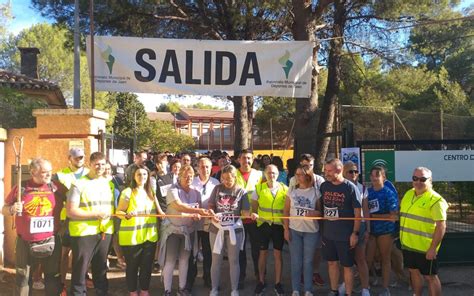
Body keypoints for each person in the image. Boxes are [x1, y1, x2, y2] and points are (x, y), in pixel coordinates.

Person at [3, 158, 64, 295]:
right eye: (44, 172)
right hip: (25, 242)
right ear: (33, 172)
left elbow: (74, 200)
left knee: (52, 277)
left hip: (51, 240)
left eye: (50, 171)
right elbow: (3, 209)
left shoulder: (57, 187)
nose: (49, 175)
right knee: (22, 277)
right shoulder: (21, 188)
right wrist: (12, 209)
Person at [66, 152, 115, 296]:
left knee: (101, 268)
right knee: (80, 270)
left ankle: (102, 292)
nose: (100, 167)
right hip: (83, 233)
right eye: (97, 164)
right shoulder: (78, 184)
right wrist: (95, 214)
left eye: (103, 164)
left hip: (104, 232)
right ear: (90, 165)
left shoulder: (107, 183)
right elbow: (71, 211)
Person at [208, 165, 258, 296]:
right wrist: (212, 214)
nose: (226, 181)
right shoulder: (217, 188)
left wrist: (252, 215)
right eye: (223, 178)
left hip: (234, 230)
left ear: (235, 177)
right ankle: (214, 288)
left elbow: (246, 212)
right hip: (216, 229)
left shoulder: (241, 192)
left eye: (229, 178)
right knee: (216, 260)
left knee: (234, 260)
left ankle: (234, 289)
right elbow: (211, 206)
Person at [159, 165, 209, 296]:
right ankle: (167, 290)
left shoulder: (196, 192)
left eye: (191, 176)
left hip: (189, 232)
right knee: (169, 261)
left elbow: (197, 211)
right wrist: (197, 211)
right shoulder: (172, 189)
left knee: (184, 260)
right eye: (185, 176)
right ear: (179, 176)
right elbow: (178, 206)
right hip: (173, 232)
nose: (188, 178)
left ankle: (182, 289)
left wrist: (197, 216)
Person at [116, 165, 165, 296]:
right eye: (139, 174)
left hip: (149, 236)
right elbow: (118, 212)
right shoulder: (127, 192)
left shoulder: (151, 191)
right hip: (132, 237)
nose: (142, 177)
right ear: (134, 176)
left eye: (144, 174)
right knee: (132, 267)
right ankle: (132, 291)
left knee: (146, 266)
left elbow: (160, 212)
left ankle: (144, 290)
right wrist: (126, 214)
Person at [400, 167, 448, 296]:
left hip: (426, 248)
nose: (418, 182)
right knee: (413, 272)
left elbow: (441, 226)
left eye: (422, 179)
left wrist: (433, 248)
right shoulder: (409, 193)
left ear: (430, 181)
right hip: (408, 245)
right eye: (415, 178)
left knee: (430, 277)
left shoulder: (436, 200)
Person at [321, 158, 362, 296]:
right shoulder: (324, 186)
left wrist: (355, 233)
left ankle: (348, 293)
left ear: (339, 170)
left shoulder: (350, 188)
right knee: (332, 263)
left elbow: (358, 214)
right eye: (325, 170)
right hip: (328, 234)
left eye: (329, 171)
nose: (326, 173)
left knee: (347, 266)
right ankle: (334, 290)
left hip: (345, 235)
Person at [54, 147, 91, 294]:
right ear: (69, 158)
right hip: (66, 220)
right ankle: (62, 284)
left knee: (82, 254)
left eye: (81, 157)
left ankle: (82, 280)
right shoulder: (59, 175)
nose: (79, 160)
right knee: (63, 254)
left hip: (84, 219)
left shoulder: (90, 174)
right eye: (76, 157)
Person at [284, 165, 321, 296]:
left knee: (308, 261)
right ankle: (295, 289)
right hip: (294, 230)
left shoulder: (315, 192)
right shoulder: (292, 192)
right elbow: (286, 211)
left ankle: (308, 290)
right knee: (296, 261)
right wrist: (286, 229)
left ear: (307, 176)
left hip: (311, 231)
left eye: (301, 174)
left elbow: (320, 212)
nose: (298, 177)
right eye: (297, 174)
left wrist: (315, 213)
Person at [288, 153, 326, 286]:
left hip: (315, 221)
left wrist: (318, 214)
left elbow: (321, 202)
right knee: (298, 257)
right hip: (297, 224)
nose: (307, 168)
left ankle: (314, 273)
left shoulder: (320, 180)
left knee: (316, 249)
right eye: (305, 165)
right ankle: (300, 280)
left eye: (310, 165)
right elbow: (291, 200)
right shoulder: (294, 180)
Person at [251, 164, 288, 296]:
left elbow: (287, 208)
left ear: (278, 174)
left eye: (274, 173)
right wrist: (255, 214)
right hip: (263, 225)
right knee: (263, 253)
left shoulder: (285, 188)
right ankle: (261, 281)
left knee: (278, 255)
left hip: (278, 226)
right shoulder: (259, 188)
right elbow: (254, 205)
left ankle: (278, 283)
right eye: (269, 173)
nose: (271, 175)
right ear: (265, 174)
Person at [186, 157, 219, 290]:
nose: (205, 169)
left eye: (207, 167)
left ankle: (208, 277)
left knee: (208, 252)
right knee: (191, 253)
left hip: (209, 223)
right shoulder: (191, 182)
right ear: (197, 168)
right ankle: (190, 279)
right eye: (202, 166)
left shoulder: (216, 183)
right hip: (193, 223)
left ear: (211, 168)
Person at [365, 166, 399, 296]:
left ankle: (385, 289)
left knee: (385, 259)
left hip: (385, 231)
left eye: (377, 175)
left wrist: (374, 217)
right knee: (368, 259)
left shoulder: (389, 193)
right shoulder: (367, 192)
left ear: (383, 177)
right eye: (372, 175)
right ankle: (365, 286)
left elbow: (393, 215)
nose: (374, 178)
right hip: (370, 231)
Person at [339, 161, 370, 296]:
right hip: (343, 226)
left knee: (360, 258)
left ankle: (365, 289)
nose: (353, 174)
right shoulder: (338, 188)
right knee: (345, 259)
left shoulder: (362, 188)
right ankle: (346, 285)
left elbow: (366, 210)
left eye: (356, 171)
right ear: (343, 173)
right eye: (350, 171)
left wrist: (368, 229)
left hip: (360, 226)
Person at [235, 149, 263, 288]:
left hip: (255, 219)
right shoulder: (233, 173)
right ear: (239, 159)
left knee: (256, 250)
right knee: (240, 251)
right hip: (238, 219)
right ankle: (240, 277)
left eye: (249, 158)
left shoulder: (259, 174)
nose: (246, 161)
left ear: (253, 160)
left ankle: (259, 276)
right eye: (244, 158)